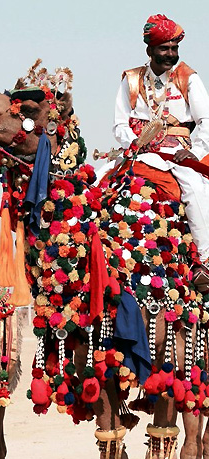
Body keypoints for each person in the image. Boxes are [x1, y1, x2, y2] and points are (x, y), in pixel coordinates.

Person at [113, 14, 209, 291]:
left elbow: (205, 121)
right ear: (150, 50)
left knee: (195, 188)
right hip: (140, 151)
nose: (171, 54)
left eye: (174, 48)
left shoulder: (188, 77)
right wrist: (134, 143)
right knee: (100, 182)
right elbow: (120, 123)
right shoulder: (131, 80)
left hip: (180, 152)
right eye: (164, 48)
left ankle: (204, 262)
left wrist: (195, 152)